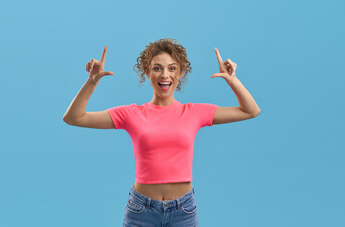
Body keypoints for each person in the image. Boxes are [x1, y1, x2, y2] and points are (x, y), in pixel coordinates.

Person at [63, 38, 260, 226]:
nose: (165, 75)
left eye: (172, 68)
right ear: (147, 72)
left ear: (180, 73)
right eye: (157, 68)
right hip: (141, 210)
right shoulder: (131, 114)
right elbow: (74, 117)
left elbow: (250, 110)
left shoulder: (195, 112)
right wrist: (92, 81)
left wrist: (232, 80)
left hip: (183, 211)